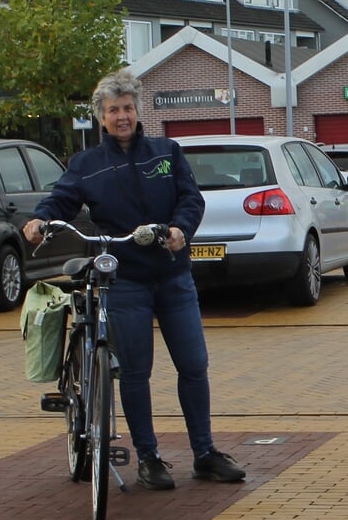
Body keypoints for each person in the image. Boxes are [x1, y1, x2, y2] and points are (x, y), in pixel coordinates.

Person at [22, 69, 245, 490]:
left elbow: (190, 197)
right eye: (113, 110)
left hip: (173, 276)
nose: (122, 116)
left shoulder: (166, 152)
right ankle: (149, 458)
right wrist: (39, 220)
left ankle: (204, 453)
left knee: (194, 366)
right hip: (125, 282)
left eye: (127, 108)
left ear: (138, 111)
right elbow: (61, 200)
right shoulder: (86, 164)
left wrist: (181, 229)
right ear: (101, 117)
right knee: (136, 371)